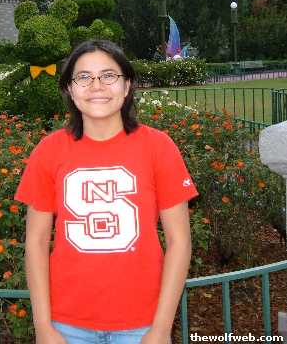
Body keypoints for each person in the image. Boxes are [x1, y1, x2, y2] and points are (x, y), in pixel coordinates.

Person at [14, 39, 198, 344]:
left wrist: (161, 327)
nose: (96, 86)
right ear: (69, 89)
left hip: (143, 323)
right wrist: (43, 326)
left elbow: (180, 241)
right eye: (84, 77)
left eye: (108, 75)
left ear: (126, 86)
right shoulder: (48, 151)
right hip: (66, 324)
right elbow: (35, 242)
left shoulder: (158, 147)